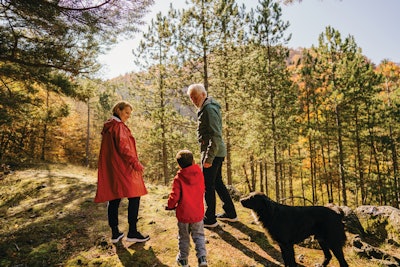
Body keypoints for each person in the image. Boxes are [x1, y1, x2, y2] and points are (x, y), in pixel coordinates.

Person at [94, 101, 150, 243]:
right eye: (126, 113)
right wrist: (136, 164)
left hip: (112, 168)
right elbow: (125, 148)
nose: (128, 116)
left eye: (129, 114)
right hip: (123, 167)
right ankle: (132, 232)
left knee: (114, 198)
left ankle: (115, 233)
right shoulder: (118, 127)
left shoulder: (109, 126)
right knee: (135, 195)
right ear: (118, 110)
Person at [187, 83, 238, 228]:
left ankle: (210, 219)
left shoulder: (208, 109)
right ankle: (231, 213)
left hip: (212, 153)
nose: (193, 100)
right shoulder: (208, 107)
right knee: (217, 183)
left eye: (195, 97)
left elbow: (215, 135)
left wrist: (208, 158)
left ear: (203, 94)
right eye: (191, 98)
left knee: (208, 185)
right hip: (215, 151)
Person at [166, 150, 208, 267]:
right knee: (199, 236)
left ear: (179, 165)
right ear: (193, 161)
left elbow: (175, 196)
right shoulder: (199, 173)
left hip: (184, 215)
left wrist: (170, 206)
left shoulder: (178, 178)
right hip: (197, 213)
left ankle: (183, 260)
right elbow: (202, 189)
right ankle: (202, 258)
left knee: (184, 238)